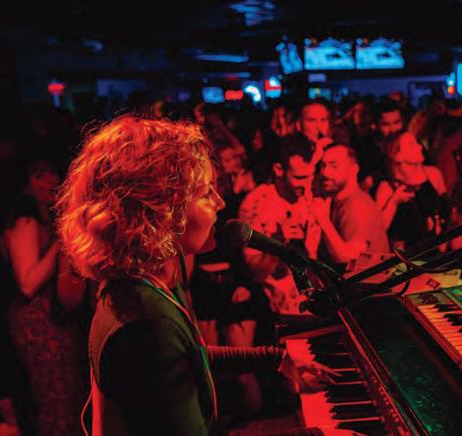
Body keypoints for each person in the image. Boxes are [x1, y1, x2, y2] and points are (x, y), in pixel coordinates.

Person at [55, 116, 326, 435]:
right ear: (161, 210)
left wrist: (277, 359)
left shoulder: (141, 283)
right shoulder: (148, 322)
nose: (220, 203)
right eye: (206, 193)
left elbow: (190, 356)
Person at [0, 159, 88, 435]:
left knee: (66, 393)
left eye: (51, 173)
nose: (49, 181)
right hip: (36, 320)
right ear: (25, 184)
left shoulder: (44, 218)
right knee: (54, 396)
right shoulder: (25, 221)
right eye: (39, 175)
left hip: (51, 317)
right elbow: (27, 284)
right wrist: (61, 242)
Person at [238, 134, 321, 315]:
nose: (307, 185)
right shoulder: (256, 204)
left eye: (310, 176)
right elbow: (255, 273)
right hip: (277, 312)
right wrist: (278, 244)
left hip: (315, 306)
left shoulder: (313, 197)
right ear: (278, 169)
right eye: (299, 178)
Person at [313, 144, 390, 265]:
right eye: (323, 166)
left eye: (334, 166)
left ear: (353, 169)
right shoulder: (335, 201)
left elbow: (349, 258)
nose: (325, 173)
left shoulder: (358, 205)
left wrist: (322, 220)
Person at [375, 131, 449, 249]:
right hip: (408, 254)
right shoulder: (387, 187)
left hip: (436, 248)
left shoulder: (433, 174)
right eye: (412, 144)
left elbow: (446, 209)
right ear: (397, 155)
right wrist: (393, 202)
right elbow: (378, 229)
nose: (420, 147)